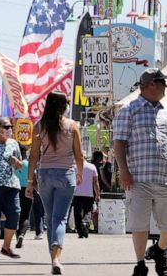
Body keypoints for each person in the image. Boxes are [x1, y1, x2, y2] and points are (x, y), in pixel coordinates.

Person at [113, 68, 167, 276]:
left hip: (166, 178)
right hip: (137, 179)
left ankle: (159, 250)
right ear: (152, 84)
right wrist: (124, 171)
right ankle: (140, 264)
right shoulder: (129, 110)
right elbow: (118, 143)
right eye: (163, 82)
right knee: (139, 224)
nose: (166, 86)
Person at [27, 92, 84, 275]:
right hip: (66, 174)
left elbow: (34, 155)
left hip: (45, 175)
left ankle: (54, 258)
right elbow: (79, 155)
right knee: (60, 218)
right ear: (63, 106)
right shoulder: (72, 126)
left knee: (51, 217)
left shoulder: (39, 126)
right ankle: (57, 257)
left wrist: (29, 181)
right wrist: (80, 173)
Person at [0, 117, 23, 261]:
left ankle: (6, 247)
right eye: (5, 127)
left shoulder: (13, 143)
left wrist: (17, 162)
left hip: (11, 184)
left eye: (10, 127)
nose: (9, 130)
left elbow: (20, 165)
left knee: (15, 214)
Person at [73, 151, 100, 239]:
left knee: (77, 213)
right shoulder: (92, 167)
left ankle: (80, 233)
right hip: (89, 194)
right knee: (88, 211)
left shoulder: (74, 167)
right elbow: (96, 182)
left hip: (76, 194)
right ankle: (85, 223)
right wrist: (97, 194)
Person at [15, 146, 33, 249]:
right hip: (27, 189)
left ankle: (16, 235)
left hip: (15, 189)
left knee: (16, 214)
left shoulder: (15, 164)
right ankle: (21, 235)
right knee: (25, 215)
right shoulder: (28, 164)